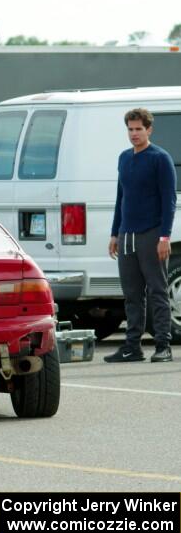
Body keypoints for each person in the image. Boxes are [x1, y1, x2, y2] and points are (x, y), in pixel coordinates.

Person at [106, 108, 176, 363]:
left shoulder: (160, 158)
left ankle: (163, 346)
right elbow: (120, 198)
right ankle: (132, 347)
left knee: (157, 291)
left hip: (152, 233)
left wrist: (164, 237)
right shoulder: (124, 158)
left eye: (138, 129)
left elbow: (169, 200)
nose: (134, 134)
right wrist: (115, 233)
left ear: (149, 130)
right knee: (132, 294)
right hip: (127, 235)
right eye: (130, 129)